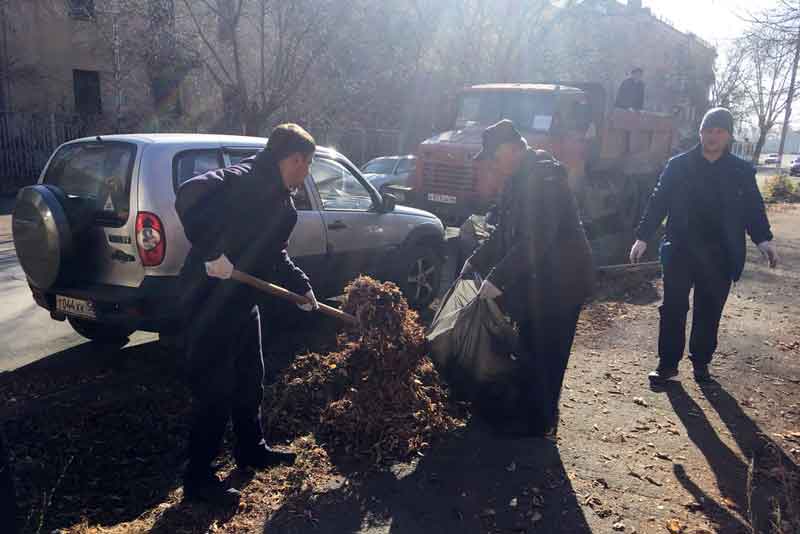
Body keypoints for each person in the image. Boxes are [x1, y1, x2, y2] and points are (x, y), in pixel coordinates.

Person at [174, 123, 320, 505]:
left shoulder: (283, 205)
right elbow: (188, 195)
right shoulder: (243, 177)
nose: (307, 174)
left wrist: (302, 287)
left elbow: (275, 253)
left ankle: (251, 448)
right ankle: (198, 479)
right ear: (294, 159)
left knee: (250, 378)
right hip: (207, 300)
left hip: (241, 299)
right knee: (215, 391)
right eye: (307, 165)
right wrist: (210, 254)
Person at [461, 119, 594, 436]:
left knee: (548, 353)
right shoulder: (516, 180)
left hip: (562, 282)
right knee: (531, 348)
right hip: (539, 282)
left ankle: (540, 426)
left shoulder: (544, 178)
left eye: (494, 158)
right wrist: (474, 260)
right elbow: (503, 234)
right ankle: (528, 413)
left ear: (512, 150)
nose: (493, 165)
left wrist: (497, 277)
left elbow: (537, 238)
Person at [630, 107, 779, 384]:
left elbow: (752, 209)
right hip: (680, 249)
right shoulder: (678, 166)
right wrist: (642, 236)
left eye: (719, 131)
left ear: (728, 136)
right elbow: (658, 201)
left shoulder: (740, 171)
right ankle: (667, 364)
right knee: (673, 307)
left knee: (708, 309)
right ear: (700, 133)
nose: (712, 136)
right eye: (707, 130)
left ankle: (701, 362)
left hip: (720, 253)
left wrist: (764, 239)